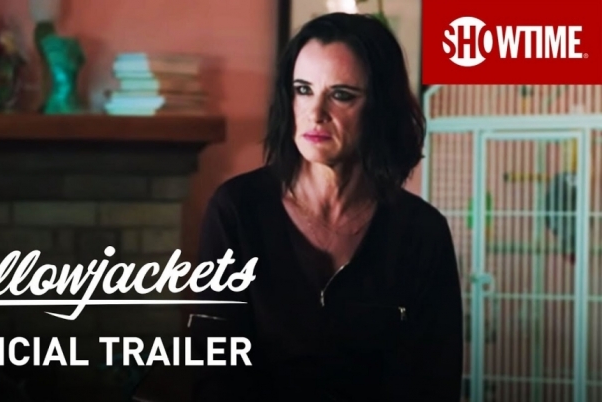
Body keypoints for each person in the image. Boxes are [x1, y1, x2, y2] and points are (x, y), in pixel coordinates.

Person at [188, 12, 463, 402]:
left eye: (341, 95)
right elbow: (214, 372)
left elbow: (435, 382)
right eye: (303, 89)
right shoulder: (237, 211)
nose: (315, 113)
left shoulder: (422, 232)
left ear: (379, 108)